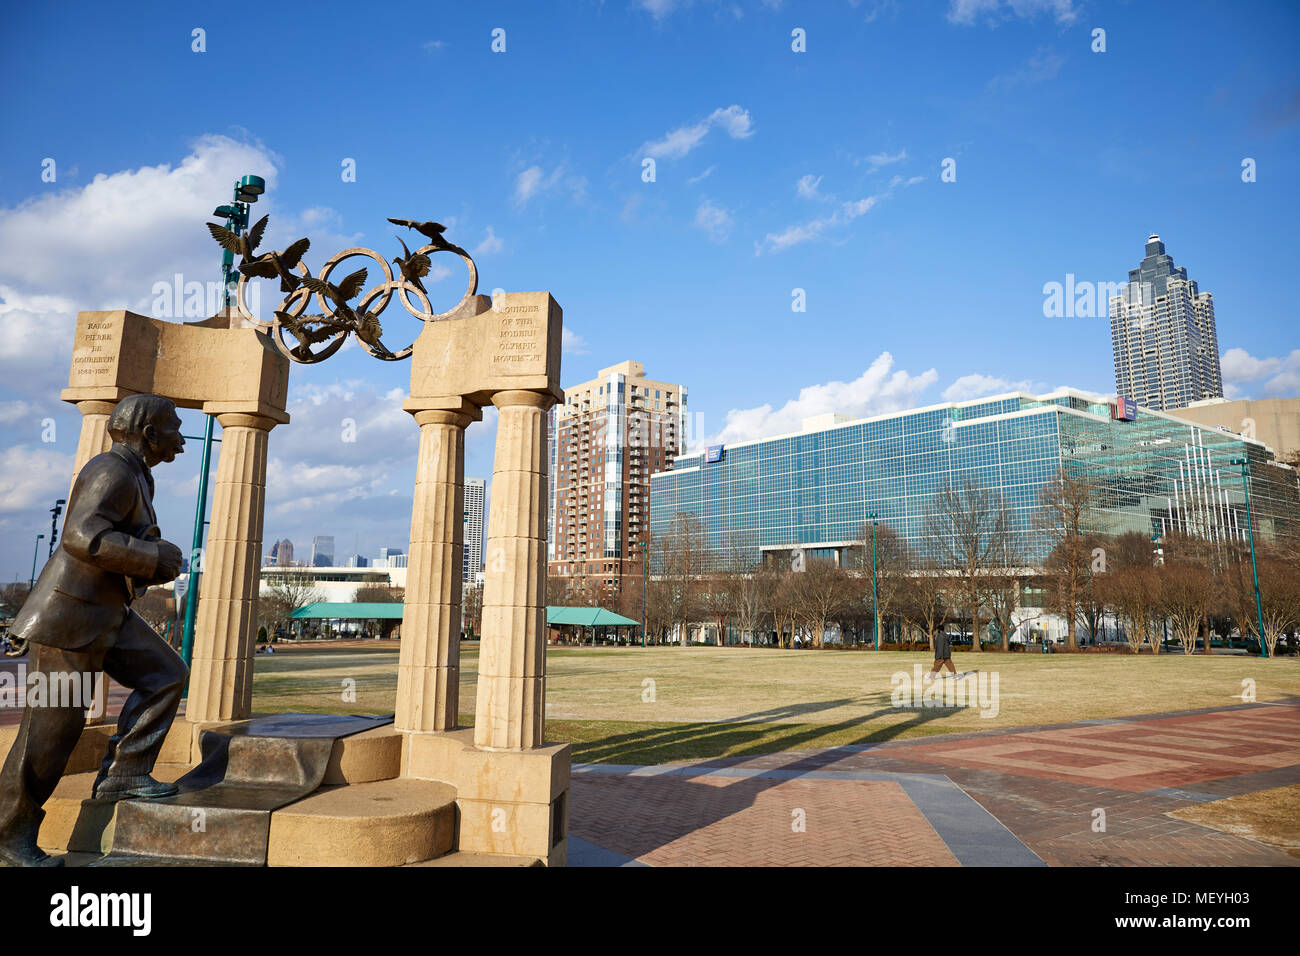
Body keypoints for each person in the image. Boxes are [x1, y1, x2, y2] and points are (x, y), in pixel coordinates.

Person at [0, 395, 189, 867]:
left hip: (106, 615)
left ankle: (125, 773)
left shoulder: (137, 474)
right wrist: (152, 557)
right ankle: (7, 836)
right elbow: (82, 537)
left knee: (166, 675)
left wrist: (150, 557)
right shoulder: (112, 470)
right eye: (174, 429)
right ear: (149, 434)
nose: (182, 440)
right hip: (68, 621)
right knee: (48, 738)